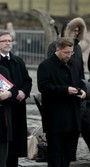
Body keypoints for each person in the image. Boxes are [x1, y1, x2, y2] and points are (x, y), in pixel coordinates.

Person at [37, 37, 86, 167]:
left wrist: (83, 92)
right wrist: (65, 90)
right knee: (55, 155)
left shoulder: (75, 64)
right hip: (55, 118)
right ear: (58, 49)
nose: (69, 55)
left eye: (71, 52)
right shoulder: (45, 66)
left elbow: (80, 82)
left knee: (68, 155)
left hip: (73, 117)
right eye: (66, 52)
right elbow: (43, 87)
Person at [0, 32, 32, 167]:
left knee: (16, 143)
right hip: (5, 107)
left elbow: (27, 80)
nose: (7, 43)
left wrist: (24, 91)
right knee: (5, 143)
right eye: (4, 40)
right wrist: (14, 92)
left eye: (10, 41)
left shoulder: (18, 61)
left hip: (19, 107)